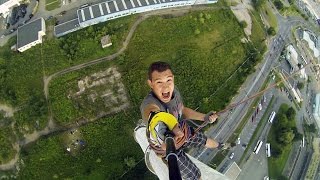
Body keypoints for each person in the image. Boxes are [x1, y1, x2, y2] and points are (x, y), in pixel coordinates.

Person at [140, 61, 230, 180]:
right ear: (150, 84)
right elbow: (152, 114)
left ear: (173, 79)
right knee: (196, 176)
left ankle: (220, 146)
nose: (166, 87)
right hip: (169, 148)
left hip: (182, 131)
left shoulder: (174, 92)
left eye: (169, 80)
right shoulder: (150, 103)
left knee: (205, 140)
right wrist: (160, 127)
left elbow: (181, 110)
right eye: (159, 82)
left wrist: (204, 117)